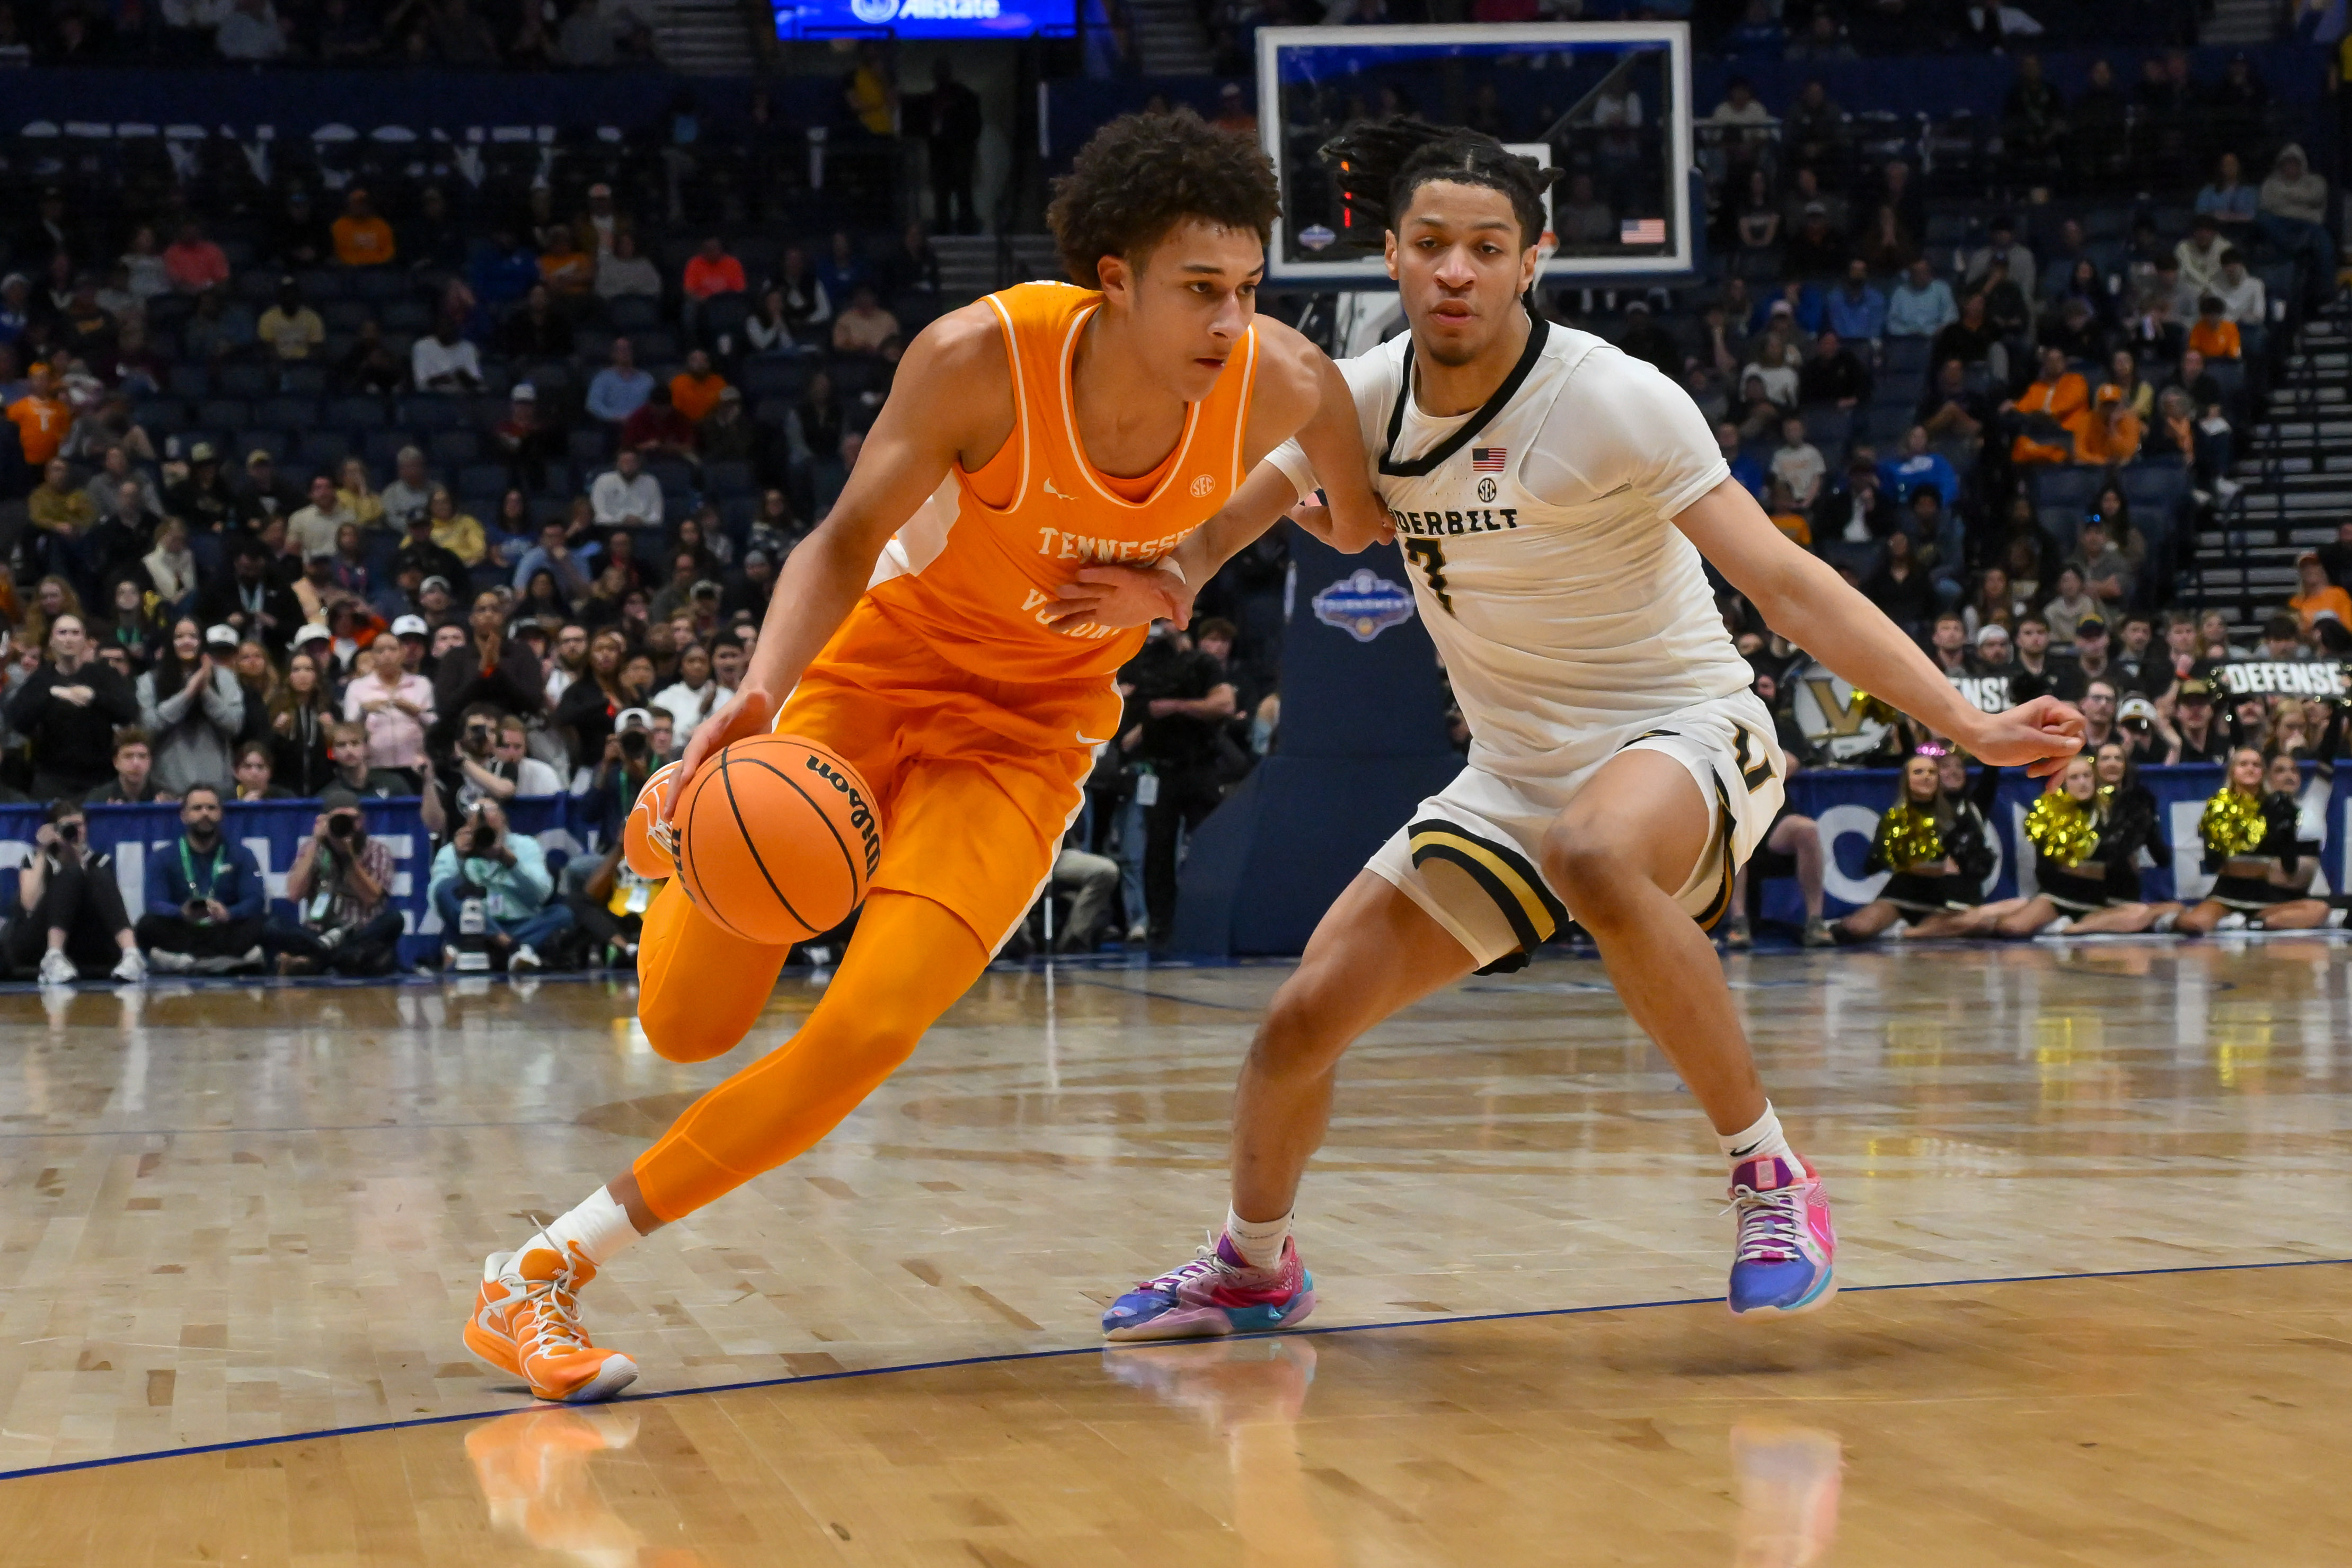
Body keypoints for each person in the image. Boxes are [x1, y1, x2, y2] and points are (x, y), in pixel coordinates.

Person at [1056, 120, 2080, 1346]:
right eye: (1431, 244)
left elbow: (1788, 586)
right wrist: (1161, 579)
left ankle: (1769, 1176)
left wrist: (1964, 716)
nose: (1456, 271)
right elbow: (1226, 525)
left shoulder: (1614, 398)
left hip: (1687, 729)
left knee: (1597, 849)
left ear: (1530, 260)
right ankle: (1255, 1264)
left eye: (1486, 247)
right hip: (1510, 779)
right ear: (1391, 254)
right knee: (1295, 1028)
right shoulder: (1359, 398)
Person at [456, 109, 1382, 1403]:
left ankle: (538, 1271)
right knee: (682, 1022)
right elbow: (837, 543)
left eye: (1247, 288)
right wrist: (758, 697)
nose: (1231, 321)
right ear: (1112, 281)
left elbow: (1354, 511)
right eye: (1199, 291)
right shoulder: (981, 357)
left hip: (1025, 738)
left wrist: (1183, 563)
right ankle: (674, 823)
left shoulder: (1280, 379)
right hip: (872, 681)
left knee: (871, 1027)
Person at [1972, 751, 2179, 937]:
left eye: (2087, 776)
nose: (2082, 783)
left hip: (2096, 902)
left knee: (2146, 914)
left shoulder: (2110, 812)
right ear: (2063, 783)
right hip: (2058, 898)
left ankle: (2071, 928)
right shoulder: (2049, 813)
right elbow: (2044, 869)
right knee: (2012, 928)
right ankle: (2039, 917)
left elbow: (2121, 862)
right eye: (2074, 777)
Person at [1827, 746, 2004, 942]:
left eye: (1932, 772)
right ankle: (1830, 931)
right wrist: (1904, 862)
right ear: (1907, 780)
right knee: (1856, 927)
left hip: (1949, 900)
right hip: (1906, 894)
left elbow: (1968, 865)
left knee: (1980, 922)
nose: (1926, 777)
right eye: (1919, 772)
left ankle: (1912, 931)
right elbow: (1872, 864)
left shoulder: (1962, 813)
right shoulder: (1897, 817)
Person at [2174, 746, 2313, 935]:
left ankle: (2252, 922)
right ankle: (2236, 921)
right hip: (2227, 895)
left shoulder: (2278, 806)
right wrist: (2216, 837)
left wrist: (2286, 833)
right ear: (2233, 771)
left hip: (2268, 898)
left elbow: (2290, 868)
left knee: (2318, 910)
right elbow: (2213, 865)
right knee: (2190, 924)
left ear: (2263, 772)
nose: (2250, 769)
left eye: (2256, 765)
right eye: (2244, 764)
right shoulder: (2218, 807)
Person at [267, 787, 403, 977]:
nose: (346, 825)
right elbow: (294, 894)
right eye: (338, 819)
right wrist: (316, 842)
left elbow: (371, 898)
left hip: (359, 932)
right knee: (273, 926)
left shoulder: (377, 851)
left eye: (352, 820)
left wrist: (349, 856)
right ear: (324, 821)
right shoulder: (312, 849)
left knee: (394, 920)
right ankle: (338, 959)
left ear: (362, 821)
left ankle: (315, 961)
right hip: (318, 933)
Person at [5, 801, 144, 984]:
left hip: (84, 937)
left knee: (93, 873)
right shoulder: (35, 859)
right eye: (68, 827)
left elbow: (106, 907)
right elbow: (29, 904)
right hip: (39, 937)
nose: (75, 831)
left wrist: (77, 858)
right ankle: (53, 956)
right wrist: (42, 851)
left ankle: (132, 954)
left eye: (80, 825)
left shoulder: (99, 860)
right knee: (71, 873)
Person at [136, 784, 268, 973]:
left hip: (224, 927)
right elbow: (154, 902)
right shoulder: (163, 856)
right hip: (184, 928)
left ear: (221, 814)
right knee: (147, 925)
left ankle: (184, 961)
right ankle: (232, 959)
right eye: (197, 808)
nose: (205, 813)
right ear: (184, 815)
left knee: (261, 923)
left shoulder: (241, 854)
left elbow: (255, 900)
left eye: (211, 808)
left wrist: (229, 913)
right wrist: (181, 912)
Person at [428, 797, 570, 970]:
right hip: (476, 927)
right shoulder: (452, 851)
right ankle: (512, 949)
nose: (484, 819)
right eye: (477, 813)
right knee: (445, 888)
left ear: (504, 818)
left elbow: (543, 894)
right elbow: (438, 900)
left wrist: (509, 861)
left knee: (562, 914)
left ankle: (494, 954)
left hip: (522, 922)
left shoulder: (526, 846)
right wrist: (460, 859)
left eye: (490, 811)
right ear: (468, 824)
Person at [10, 613, 140, 800]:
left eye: (75, 633)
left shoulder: (104, 674)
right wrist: (52, 694)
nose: (69, 639)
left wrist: (94, 697)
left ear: (86, 641)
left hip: (99, 777)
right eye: (62, 633)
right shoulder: (41, 679)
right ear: (52, 641)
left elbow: (129, 711)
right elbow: (19, 722)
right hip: (52, 778)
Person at [86, 728, 164, 804]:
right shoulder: (98, 800)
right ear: (116, 762)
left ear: (150, 762)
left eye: (142, 756)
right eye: (128, 756)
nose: (136, 763)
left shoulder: (166, 799)